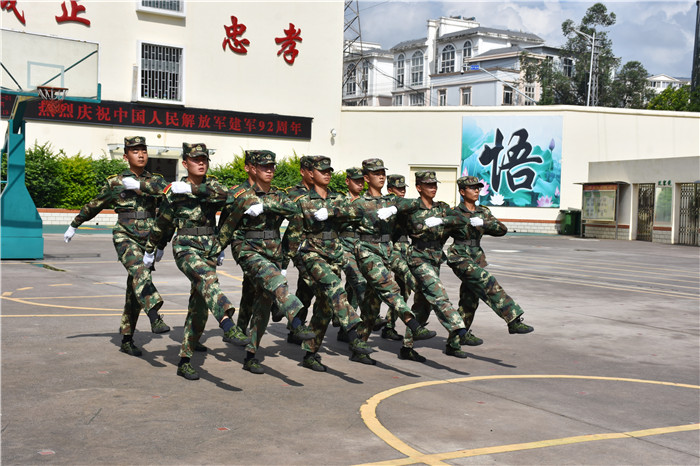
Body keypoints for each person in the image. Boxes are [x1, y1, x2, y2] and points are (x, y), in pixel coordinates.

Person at [143, 142, 250, 381]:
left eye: (204, 159)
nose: (201, 163)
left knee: (199, 307)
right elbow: (162, 222)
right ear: (185, 163)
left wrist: (192, 190)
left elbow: (228, 197)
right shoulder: (174, 190)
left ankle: (184, 360)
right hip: (185, 247)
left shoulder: (213, 186)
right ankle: (227, 323)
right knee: (208, 280)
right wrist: (152, 249)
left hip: (209, 248)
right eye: (195, 159)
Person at [64, 136, 170, 357]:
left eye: (143, 151)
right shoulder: (115, 182)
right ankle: (155, 315)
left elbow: (169, 197)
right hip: (125, 236)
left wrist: (161, 243)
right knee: (140, 272)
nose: (140, 155)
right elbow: (95, 204)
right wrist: (75, 224)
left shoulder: (156, 181)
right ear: (125, 156)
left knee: (135, 290)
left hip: (148, 239)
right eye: (135, 151)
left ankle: (127, 339)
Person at [216, 150, 315, 374]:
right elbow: (227, 224)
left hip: (272, 252)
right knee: (276, 281)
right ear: (252, 168)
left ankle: (251, 354)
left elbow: (294, 209)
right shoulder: (241, 194)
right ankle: (296, 321)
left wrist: (266, 206)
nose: (269, 170)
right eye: (264, 167)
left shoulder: (278, 195)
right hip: (247, 249)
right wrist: (218, 249)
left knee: (262, 305)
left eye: (272, 166)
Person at [346, 158, 437, 365]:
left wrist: (395, 208)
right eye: (376, 173)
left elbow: (417, 203)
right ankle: (412, 323)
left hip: (388, 252)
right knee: (390, 286)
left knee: (371, 308)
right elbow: (338, 219)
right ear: (366, 177)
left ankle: (359, 346)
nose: (381, 176)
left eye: (382, 173)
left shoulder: (391, 200)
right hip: (368, 252)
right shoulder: (358, 204)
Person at [293, 156, 374, 371]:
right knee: (336, 288)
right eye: (322, 171)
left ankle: (310, 353)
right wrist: (291, 264)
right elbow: (293, 234)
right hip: (313, 254)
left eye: (329, 171)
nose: (327, 174)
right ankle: (354, 333)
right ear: (312, 174)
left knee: (325, 306)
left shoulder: (337, 198)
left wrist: (331, 211)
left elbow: (358, 212)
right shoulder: (303, 200)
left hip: (334, 255)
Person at [445, 175, 534, 349]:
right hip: (460, 256)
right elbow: (440, 234)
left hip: (476, 257)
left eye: (478, 187)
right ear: (462, 191)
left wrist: (484, 223)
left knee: (469, 301)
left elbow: (502, 229)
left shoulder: (483, 212)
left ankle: (454, 342)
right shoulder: (454, 213)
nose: (476, 190)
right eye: (472, 188)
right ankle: (513, 318)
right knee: (487, 281)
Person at [399, 171, 469, 362]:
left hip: (435, 258)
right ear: (418, 187)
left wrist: (442, 220)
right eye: (428, 185)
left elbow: (462, 219)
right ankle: (458, 329)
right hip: (418, 257)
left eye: (435, 184)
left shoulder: (442, 208)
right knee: (438, 292)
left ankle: (407, 347)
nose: (433, 188)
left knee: (423, 305)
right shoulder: (412, 208)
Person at [280, 155, 319, 343]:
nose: (313, 174)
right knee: (314, 285)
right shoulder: (292, 194)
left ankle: (295, 325)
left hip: (317, 248)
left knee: (306, 290)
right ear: (303, 171)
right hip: (298, 247)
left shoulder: (322, 192)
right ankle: (294, 320)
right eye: (310, 170)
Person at [382, 174, 415, 341]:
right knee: (383, 289)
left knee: (404, 291)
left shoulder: (404, 205)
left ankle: (389, 325)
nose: (402, 192)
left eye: (403, 188)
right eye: (398, 189)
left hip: (404, 248)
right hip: (390, 248)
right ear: (390, 189)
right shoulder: (386, 204)